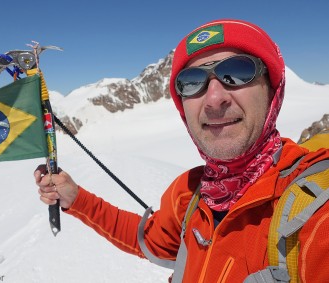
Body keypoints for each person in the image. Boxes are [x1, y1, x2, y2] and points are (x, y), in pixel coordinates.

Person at [34, 19, 329, 282]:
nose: (213, 98)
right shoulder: (189, 196)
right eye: (192, 83)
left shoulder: (313, 207)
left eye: (238, 72)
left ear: (272, 89)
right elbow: (149, 241)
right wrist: (77, 199)